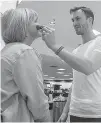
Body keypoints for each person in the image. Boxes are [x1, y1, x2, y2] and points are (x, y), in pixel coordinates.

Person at [41, 6, 101, 122]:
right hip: (75, 111)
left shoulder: (99, 42)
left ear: (89, 20)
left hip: (95, 113)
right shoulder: (76, 51)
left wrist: (55, 47)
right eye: (73, 20)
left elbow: (89, 67)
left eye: (78, 19)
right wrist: (64, 112)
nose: (74, 23)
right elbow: (75, 83)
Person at [1, 8, 51, 122]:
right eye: (35, 21)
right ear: (22, 26)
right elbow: (37, 102)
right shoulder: (24, 52)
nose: (39, 24)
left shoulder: (6, 52)